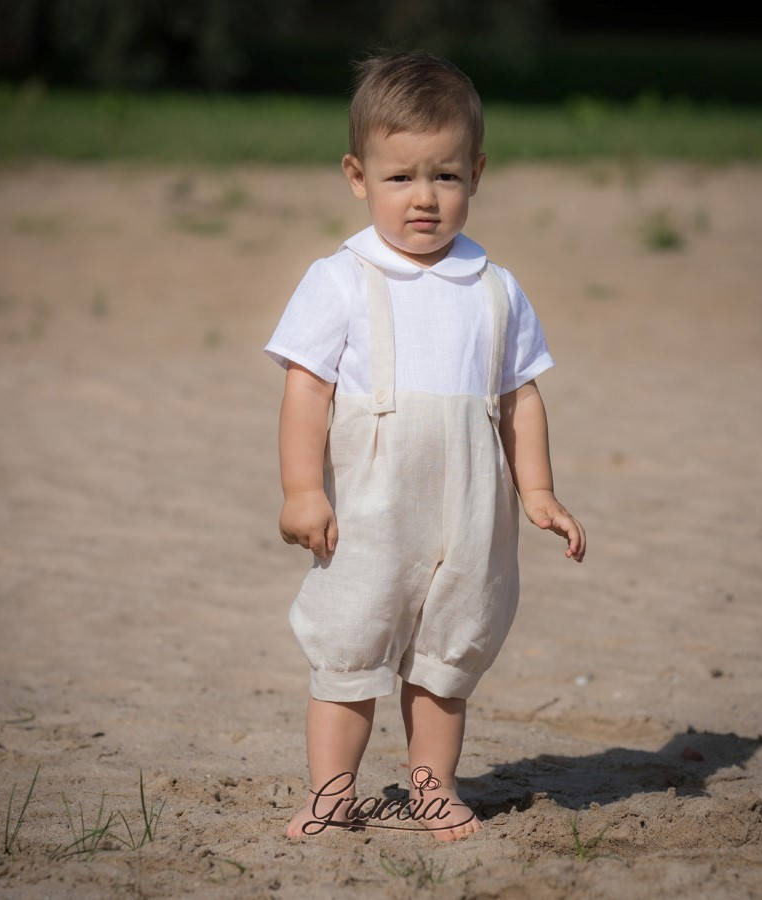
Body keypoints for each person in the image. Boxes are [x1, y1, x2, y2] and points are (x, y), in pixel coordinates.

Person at [264, 50, 586, 842]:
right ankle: (333, 792)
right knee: (351, 645)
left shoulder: (495, 288)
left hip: (471, 509)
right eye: (400, 177)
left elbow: (519, 396)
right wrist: (304, 490)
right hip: (374, 507)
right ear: (357, 176)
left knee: (446, 655)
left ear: (475, 174)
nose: (423, 199)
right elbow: (306, 389)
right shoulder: (341, 278)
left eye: (445, 176)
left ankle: (433, 786)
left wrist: (537, 490)